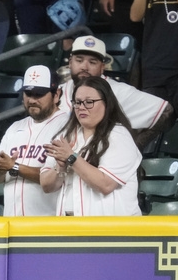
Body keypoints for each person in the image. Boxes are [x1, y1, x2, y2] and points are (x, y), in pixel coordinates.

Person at [41, 77, 143, 216]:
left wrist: (71, 157)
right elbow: (46, 185)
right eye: (77, 102)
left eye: (89, 102)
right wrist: (60, 166)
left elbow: (105, 184)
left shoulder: (119, 135)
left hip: (112, 230)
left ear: (106, 103)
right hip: (69, 225)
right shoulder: (66, 135)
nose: (81, 107)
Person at [0, 65, 70, 217]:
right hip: (12, 221)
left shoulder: (67, 124)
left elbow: (52, 178)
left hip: (48, 223)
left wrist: (14, 166)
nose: (32, 100)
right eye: (28, 93)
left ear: (56, 95)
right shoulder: (15, 127)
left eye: (39, 94)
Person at [60, 35, 173, 148]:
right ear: (70, 62)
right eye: (79, 60)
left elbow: (166, 111)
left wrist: (134, 147)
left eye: (92, 62)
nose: (84, 67)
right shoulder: (58, 92)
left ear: (102, 67)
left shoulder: (118, 91)